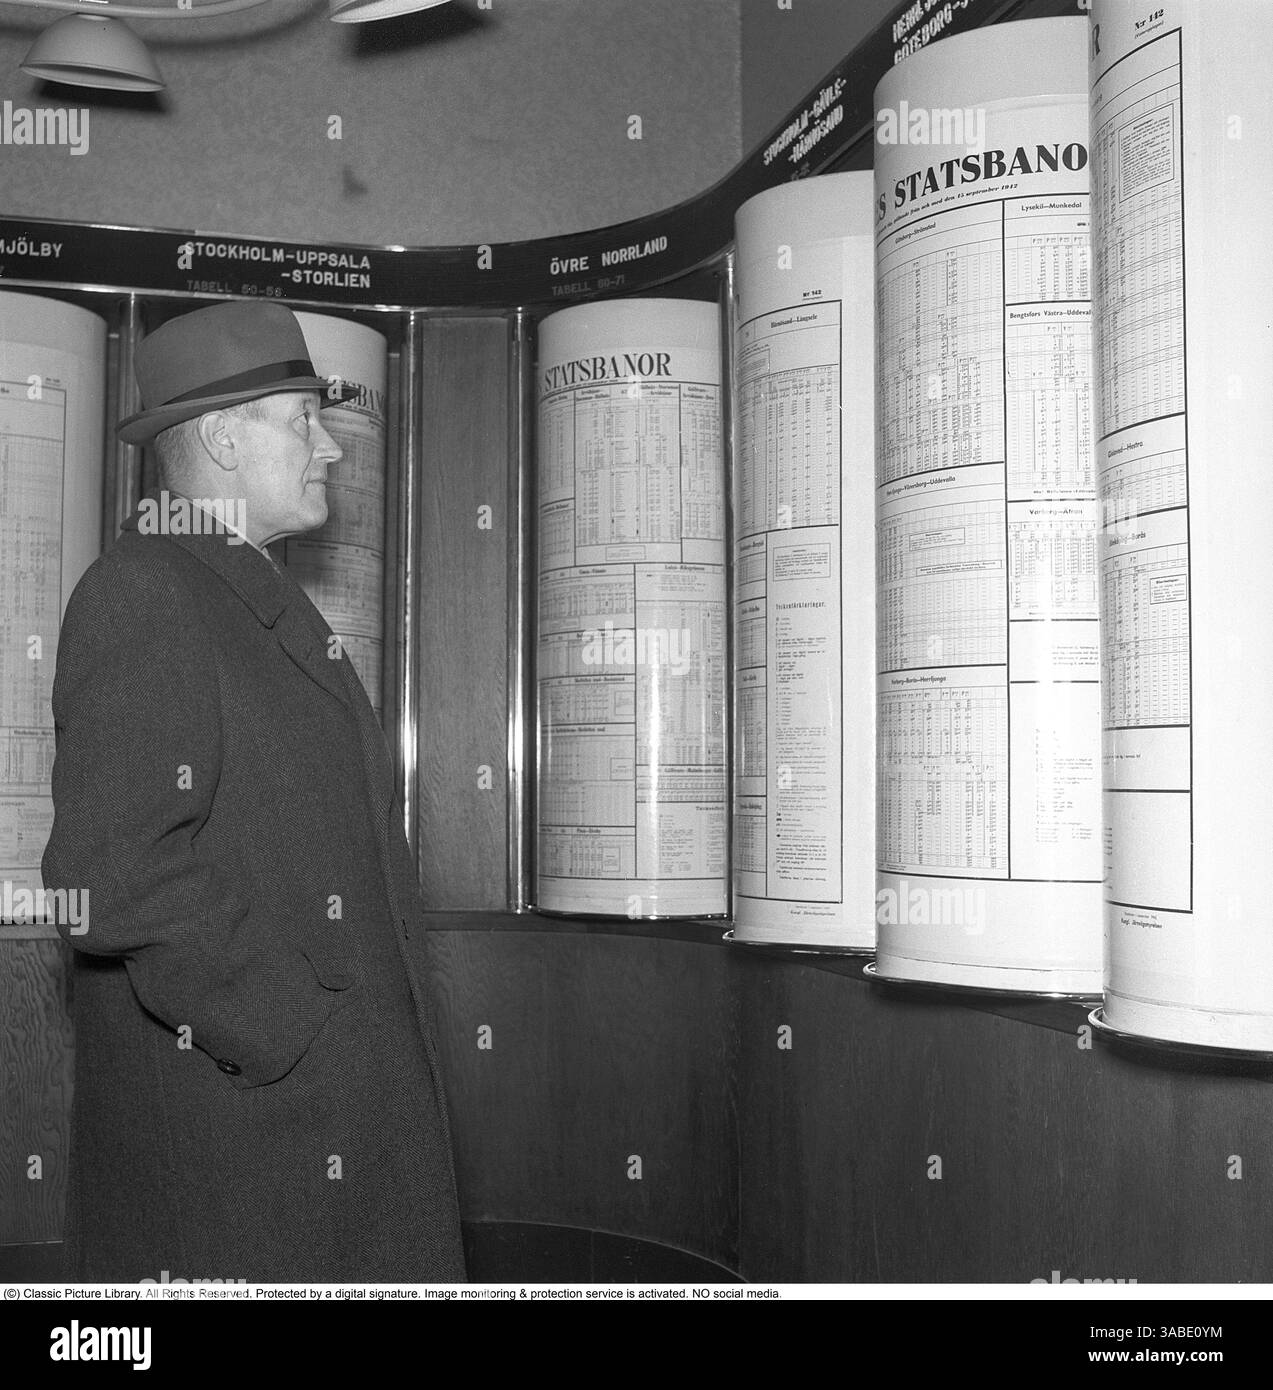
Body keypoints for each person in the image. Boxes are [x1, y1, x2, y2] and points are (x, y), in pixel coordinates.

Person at [42, 301, 465, 1283]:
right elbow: (113, 873)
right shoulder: (147, 591)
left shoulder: (241, 598)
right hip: (249, 1155)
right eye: (302, 420)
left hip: (298, 1142)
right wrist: (297, 1029)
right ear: (225, 437)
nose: (331, 448)